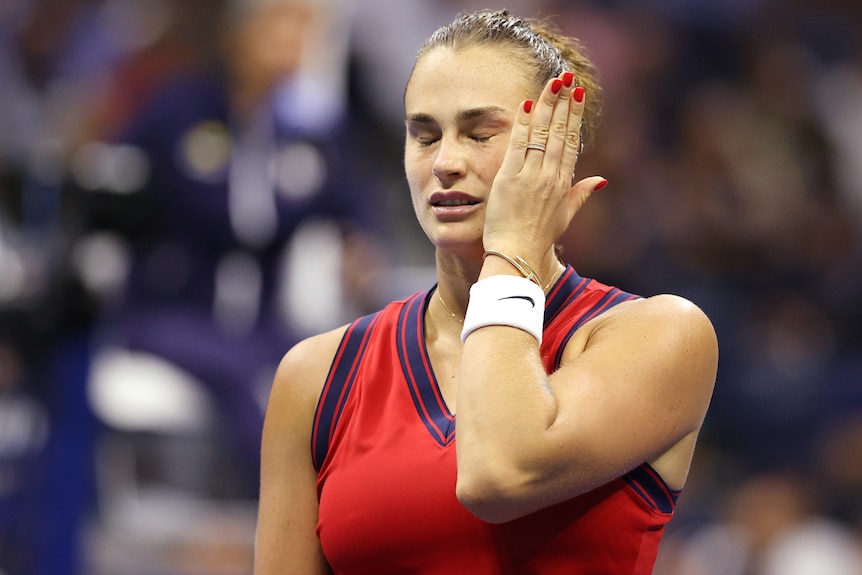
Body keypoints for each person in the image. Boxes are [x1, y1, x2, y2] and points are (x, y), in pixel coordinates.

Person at [255, 9, 718, 574]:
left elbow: (499, 472)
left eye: (479, 133)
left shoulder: (662, 336)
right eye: (424, 136)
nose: (446, 163)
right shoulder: (316, 377)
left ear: (557, 148)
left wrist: (512, 250)